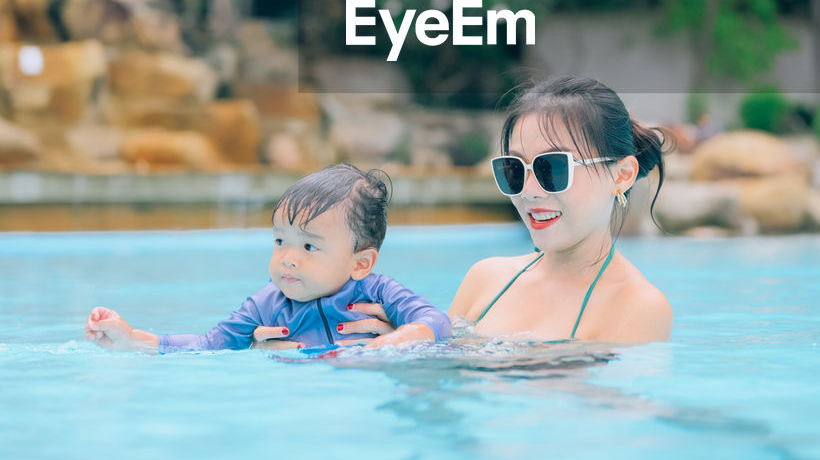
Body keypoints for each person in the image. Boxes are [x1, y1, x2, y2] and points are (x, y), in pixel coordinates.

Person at [339, 75, 673, 347]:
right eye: (513, 170)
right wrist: (392, 340)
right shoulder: (487, 278)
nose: (528, 191)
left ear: (622, 175)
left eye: (552, 168)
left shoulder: (638, 307)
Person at [85, 164, 451, 352]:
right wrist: (133, 338)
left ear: (360, 262)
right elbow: (209, 345)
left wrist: (401, 339)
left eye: (309, 246)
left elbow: (435, 321)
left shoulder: (378, 292)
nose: (288, 259)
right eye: (280, 241)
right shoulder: (267, 304)